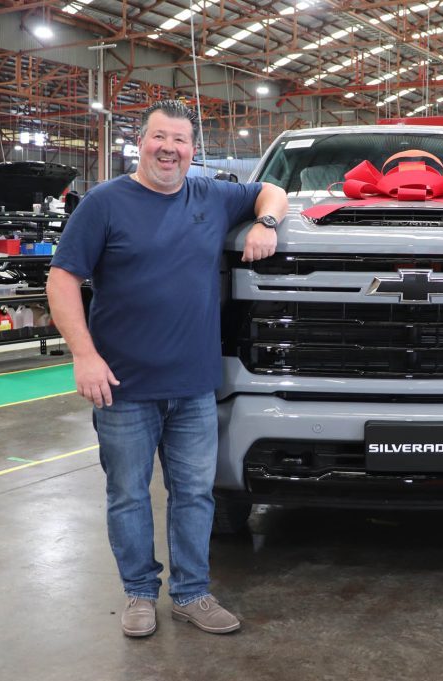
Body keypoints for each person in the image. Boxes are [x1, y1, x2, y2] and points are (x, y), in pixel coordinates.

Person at [46, 100, 287, 638]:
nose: (169, 149)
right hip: (122, 388)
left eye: (179, 140)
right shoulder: (105, 203)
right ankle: (138, 593)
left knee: (195, 495)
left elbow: (272, 189)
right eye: (159, 137)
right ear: (141, 142)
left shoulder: (212, 194)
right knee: (128, 495)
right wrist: (84, 355)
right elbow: (62, 279)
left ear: (192, 150)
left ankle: (191, 593)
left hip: (195, 389)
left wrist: (266, 223)